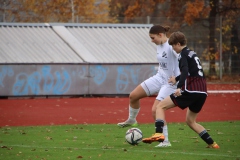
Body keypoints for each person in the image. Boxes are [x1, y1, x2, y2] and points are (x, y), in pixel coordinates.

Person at [142, 31, 220, 149]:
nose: (173, 48)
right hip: (202, 92)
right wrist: (176, 78)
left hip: (190, 90)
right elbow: (191, 72)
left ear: (178, 44)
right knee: (191, 121)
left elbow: (184, 71)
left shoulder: (183, 54)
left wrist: (179, 87)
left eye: (173, 45)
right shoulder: (192, 53)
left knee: (160, 107)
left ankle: (158, 134)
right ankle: (213, 144)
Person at [117, 25, 180, 147]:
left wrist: (179, 80)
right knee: (133, 96)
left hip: (171, 82)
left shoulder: (171, 47)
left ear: (160, 35)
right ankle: (132, 120)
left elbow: (185, 61)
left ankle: (165, 141)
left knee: (156, 110)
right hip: (159, 77)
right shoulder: (159, 45)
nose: (152, 40)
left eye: (153, 38)